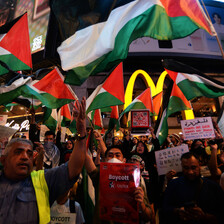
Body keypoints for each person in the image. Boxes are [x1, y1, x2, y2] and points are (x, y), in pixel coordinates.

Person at [0, 97, 87, 224]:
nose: (25, 156)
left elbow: (73, 169)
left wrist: (82, 133)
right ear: (3, 160)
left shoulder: (43, 180)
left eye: (29, 153)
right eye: (18, 152)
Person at [85, 144, 155, 224]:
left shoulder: (135, 181)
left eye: (117, 155)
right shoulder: (100, 175)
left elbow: (148, 216)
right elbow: (85, 158)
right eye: (110, 156)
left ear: (124, 160)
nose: (114, 158)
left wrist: (141, 203)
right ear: (105, 160)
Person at [162, 152, 224, 224]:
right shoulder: (173, 185)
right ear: (181, 167)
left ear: (199, 166)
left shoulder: (213, 187)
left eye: (193, 167)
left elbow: (221, 214)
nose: (190, 172)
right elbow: (165, 209)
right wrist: (178, 211)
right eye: (186, 168)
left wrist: (204, 216)